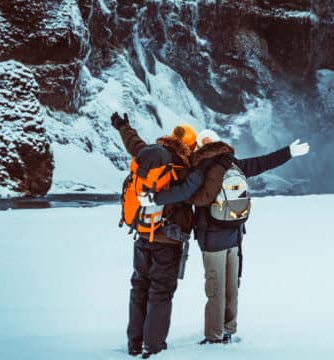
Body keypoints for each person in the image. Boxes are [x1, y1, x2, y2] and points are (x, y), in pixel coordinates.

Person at [139, 129, 310, 345]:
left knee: (215, 288)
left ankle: (214, 336)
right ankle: (229, 328)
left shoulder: (203, 166)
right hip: (235, 235)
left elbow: (184, 191)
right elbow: (262, 162)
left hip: (213, 239)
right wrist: (288, 152)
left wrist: (155, 198)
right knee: (231, 286)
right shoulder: (233, 163)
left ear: (201, 146)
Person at [111, 112, 202, 358]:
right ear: (190, 146)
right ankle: (153, 347)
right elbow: (190, 192)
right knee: (160, 291)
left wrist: (123, 126)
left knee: (139, 287)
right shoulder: (185, 167)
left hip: (142, 234)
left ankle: (134, 343)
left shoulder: (150, 154)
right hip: (168, 240)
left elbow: (133, 143)